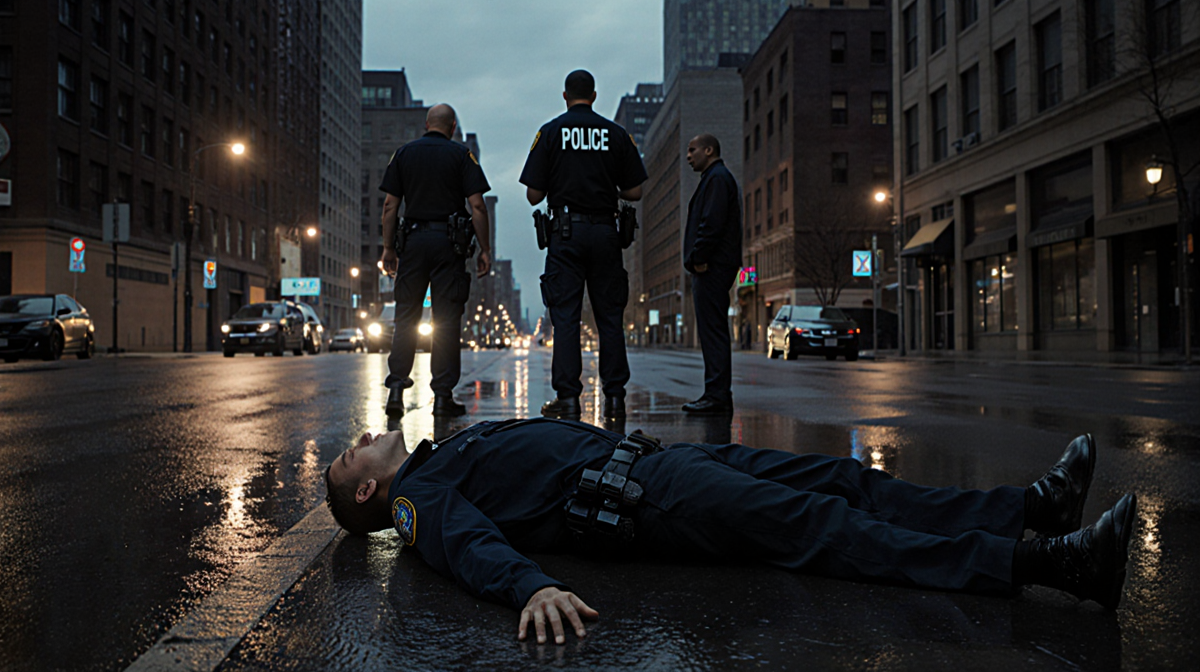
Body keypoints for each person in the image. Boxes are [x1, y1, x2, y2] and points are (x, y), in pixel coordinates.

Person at [324, 422, 1137, 646]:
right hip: (652, 496)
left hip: (663, 461)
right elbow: (466, 546)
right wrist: (529, 585)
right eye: (350, 453)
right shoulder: (419, 498)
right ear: (369, 488)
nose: (360, 435)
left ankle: (1030, 507)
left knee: (840, 479)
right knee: (825, 527)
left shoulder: (442, 451)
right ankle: (1056, 564)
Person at [519, 70, 649, 420]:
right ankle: (616, 398)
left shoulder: (549, 132)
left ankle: (569, 399)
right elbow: (635, 191)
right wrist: (608, 189)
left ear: (566, 95)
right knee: (610, 319)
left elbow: (533, 195)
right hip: (606, 233)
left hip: (565, 234)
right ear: (594, 94)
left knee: (566, 320)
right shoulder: (617, 134)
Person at [378, 104, 492, 419]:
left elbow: (390, 205)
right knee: (445, 322)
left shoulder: (403, 154)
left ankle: (397, 390)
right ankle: (442, 398)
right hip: (448, 246)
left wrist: (389, 248)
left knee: (406, 319)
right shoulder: (461, 155)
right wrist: (485, 249)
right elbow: (478, 206)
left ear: (427, 124)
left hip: (412, 243)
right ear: (452, 127)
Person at [681, 134, 742, 415]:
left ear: (709, 150)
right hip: (714, 265)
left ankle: (717, 395)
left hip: (712, 266)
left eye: (692, 150)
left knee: (713, 331)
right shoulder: (713, 177)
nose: (689, 155)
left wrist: (698, 259)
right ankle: (716, 393)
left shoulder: (717, 178)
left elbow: (711, 224)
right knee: (712, 331)